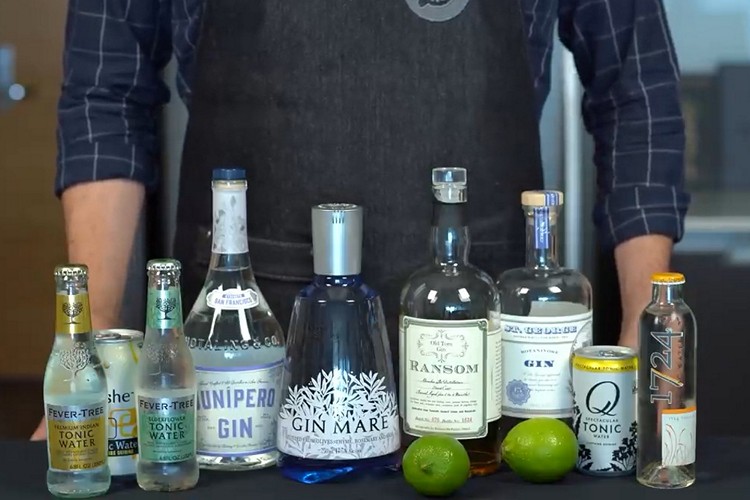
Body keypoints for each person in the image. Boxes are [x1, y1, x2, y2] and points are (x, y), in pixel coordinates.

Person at [33, 0, 689, 440]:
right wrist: (91, 357)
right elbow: (105, 92)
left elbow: (636, 89)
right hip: (242, 350)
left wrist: (647, 340)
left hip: (483, 332)